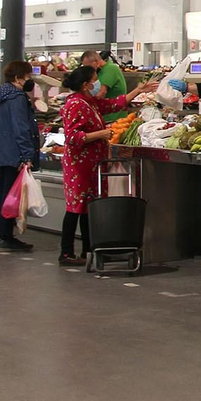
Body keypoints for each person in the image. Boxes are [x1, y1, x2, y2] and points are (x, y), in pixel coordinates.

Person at [57, 66, 156, 267]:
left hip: (92, 163)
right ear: (86, 85)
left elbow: (112, 105)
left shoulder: (89, 102)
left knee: (88, 207)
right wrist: (101, 134)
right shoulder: (75, 104)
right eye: (95, 80)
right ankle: (66, 253)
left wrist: (139, 90)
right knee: (76, 208)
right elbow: (73, 137)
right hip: (79, 165)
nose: (98, 84)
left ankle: (89, 249)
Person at [0, 61, 41, 252]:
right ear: (18, 78)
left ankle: (2, 234)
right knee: (11, 195)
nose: (30, 80)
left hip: (0, 151)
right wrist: (26, 155)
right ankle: (6, 236)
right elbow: (21, 128)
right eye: (28, 77)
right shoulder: (17, 98)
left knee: (3, 192)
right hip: (14, 152)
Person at [80, 50, 129, 123]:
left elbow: (101, 93)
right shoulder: (100, 71)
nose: (87, 70)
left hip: (113, 116)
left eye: (88, 67)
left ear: (96, 62)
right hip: (106, 114)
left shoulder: (110, 69)